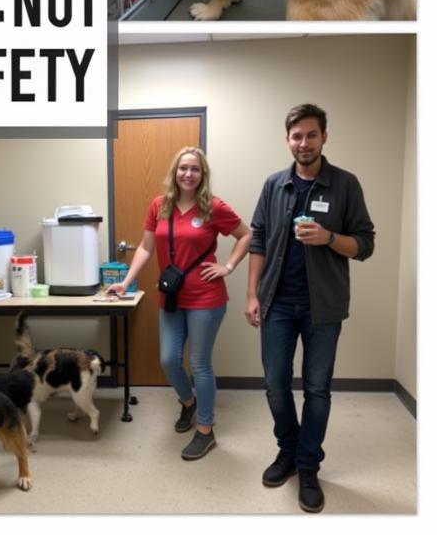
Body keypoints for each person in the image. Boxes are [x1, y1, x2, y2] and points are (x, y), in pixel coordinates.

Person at [245, 104, 374, 513]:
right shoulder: (273, 185)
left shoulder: (345, 185)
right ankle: (288, 449)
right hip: (277, 304)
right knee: (275, 384)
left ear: (324, 137)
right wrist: (252, 295)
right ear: (288, 140)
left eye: (311, 135)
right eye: (296, 136)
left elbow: (365, 245)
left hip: (324, 307)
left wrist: (329, 237)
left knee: (317, 388)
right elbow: (258, 239)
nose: (304, 143)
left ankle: (307, 466)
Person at [107, 147, 251, 461]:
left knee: (200, 364)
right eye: (183, 168)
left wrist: (228, 267)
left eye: (195, 169)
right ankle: (188, 403)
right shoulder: (160, 205)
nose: (188, 174)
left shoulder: (213, 206)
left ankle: (205, 430)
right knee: (169, 360)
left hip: (206, 297)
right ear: (175, 172)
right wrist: (126, 280)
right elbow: (146, 247)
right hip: (171, 296)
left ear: (203, 174)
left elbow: (246, 235)